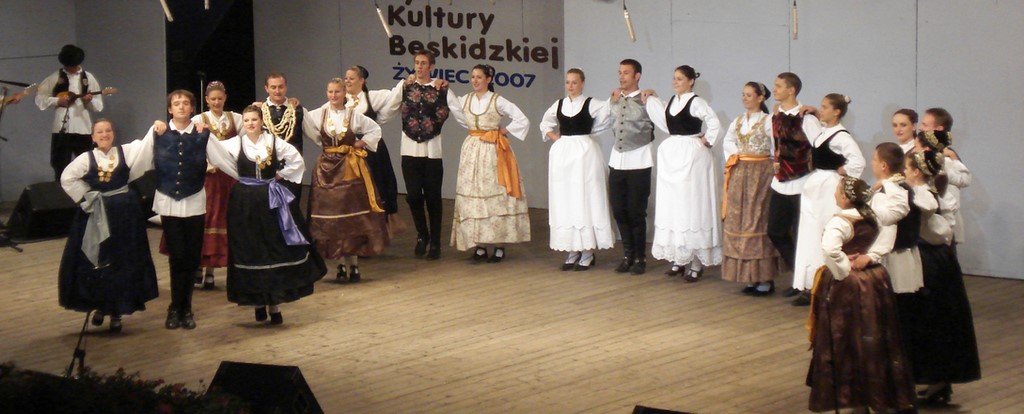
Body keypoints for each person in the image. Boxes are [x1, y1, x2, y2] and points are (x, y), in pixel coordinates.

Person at [203, 105, 327, 325]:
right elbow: (213, 150)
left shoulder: (274, 142)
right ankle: (258, 304)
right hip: (245, 202)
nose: (250, 124)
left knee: (272, 248)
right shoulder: (236, 143)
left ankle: (274, 305)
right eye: (247, 120)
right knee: (250, 249)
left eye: (254, 120)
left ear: (261, 122)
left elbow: (296, 160)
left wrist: (281, 174)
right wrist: (201, 132)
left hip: (270, 201)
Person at [805, 176, 916, 413]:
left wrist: (843, 266)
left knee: (846, 336)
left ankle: (853, 395)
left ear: (846, 197)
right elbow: (892, 228)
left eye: (837, 191)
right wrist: (871, 256)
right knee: (875, 333)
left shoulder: (841, 222)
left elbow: (830, 250)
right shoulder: (873, 215)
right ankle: (876, 394)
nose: (835, 195)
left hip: (848, 286)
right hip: (874, 280)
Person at [58, 119, 158, 333]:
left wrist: (155, 128)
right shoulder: (86, 159)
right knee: (99, 260)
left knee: (122, 260)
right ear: (93, 137)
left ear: (113, 133)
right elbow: (67, 178)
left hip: (124, 215)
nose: (104, 134)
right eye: (100, 132)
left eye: (108, 130)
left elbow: (146, 146)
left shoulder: (125, 152)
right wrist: (87, 197)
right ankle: (100, 305)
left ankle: (116, 312)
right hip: (97, 215)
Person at [903, 148, 980, 405]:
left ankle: (936, 378)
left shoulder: (923, 196)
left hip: (929, 263)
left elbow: (927, 214)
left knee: (931, 320)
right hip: (937, 260)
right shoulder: (931, 191)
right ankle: (937, 380)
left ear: (916, 172)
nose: (903, 172)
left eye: (906, 168)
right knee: (937, 320)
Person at [302, 78, 387, 282]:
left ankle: (354, 265)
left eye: (337, 92)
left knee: (351, 218)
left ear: (344, 94)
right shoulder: (318, 114)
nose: (333, 95)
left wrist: (361, 143)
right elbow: (305, 123)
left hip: (350, 170)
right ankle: (340, 264)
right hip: (326, 171)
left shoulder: (353, 115)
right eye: (330, 92)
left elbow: (375, 129)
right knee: (333, 219)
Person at [644, 65, 722, 282]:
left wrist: (707, 140)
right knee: (674, 206)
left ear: (691, 81)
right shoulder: (672, 101)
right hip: (673, 157)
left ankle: (695, 262)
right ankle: (679, 258)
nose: (675, 82)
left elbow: (714, 122)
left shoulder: (696, 102)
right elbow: (664, 116)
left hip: (692, 157)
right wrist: (652, 96)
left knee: (691, 206)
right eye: (674, 78)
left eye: (679, 78)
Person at [447, 64, 531, 262]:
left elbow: (522, 120)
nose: (475, 81)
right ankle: (480, 245)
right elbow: (454, 109)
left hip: (493, 151)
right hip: (472, 149)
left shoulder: (497, 100)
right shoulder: (465, 100)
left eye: (479, 77)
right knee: (474, 196)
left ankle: (499, 245)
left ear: (488, 79)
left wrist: (502, 131)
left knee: (495, 195)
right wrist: (444, 87)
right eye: (473, 77)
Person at [790, 94, 864, 306]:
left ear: (836, 111)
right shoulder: (825, 132)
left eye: (825, 107)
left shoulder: (841, 137)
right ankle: (810, 283)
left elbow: (858, 161)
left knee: (822, 231)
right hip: (817, 185)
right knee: (809, 233)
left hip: (828, 187)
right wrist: (813, 112)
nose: (821, 110)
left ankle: (825, 284)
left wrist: (844, 170)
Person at [538, 68, 614, 270]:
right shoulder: (559, 104)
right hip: (563, 156)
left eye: (574, 82)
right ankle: (571, 249)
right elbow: (545, 123)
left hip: (584, 154)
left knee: (584, 197)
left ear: (582, 83)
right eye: (568, 82)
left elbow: (607, 115)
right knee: (566, 199)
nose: (570, 86)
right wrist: (555, 138)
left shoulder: (591, 103)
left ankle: (587, 251)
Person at [385, 51, 456, 260]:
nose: (419, 67)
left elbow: (459, 111)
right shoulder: (406, 86)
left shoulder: (441, 88)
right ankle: (422, 235)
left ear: (431, 66)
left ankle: (435, 242)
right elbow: (389, 109)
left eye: (424, 63)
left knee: (433, 198)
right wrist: (402, 86)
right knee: (414, 196)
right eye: (417, 63)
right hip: (409, 150)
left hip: (432, 152)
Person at [151, 90, 212, 330]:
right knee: (177, 256)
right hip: (169, 202)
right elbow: (138, 157)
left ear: (192, 108)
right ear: (169, 109)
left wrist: (251, 177)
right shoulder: (158, 132)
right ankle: (175, 307)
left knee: (192, 257)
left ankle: (186, 308)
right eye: (176, 103)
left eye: (186, 103)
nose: (181, 107)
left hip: (195, 202)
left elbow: (225, 156)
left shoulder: (202, 134)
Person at [721, 82, 782, 295]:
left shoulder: (768, 121)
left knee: (757, 219)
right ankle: (749, 276)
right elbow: (728, 141)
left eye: (749, 95)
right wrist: (736, 155)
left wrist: (771, 163)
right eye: (743, 95)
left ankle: (764, 277)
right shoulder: (738, 121)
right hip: (740, 172)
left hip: (760, 173)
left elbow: (776, 146)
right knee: (740, 220)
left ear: (760, 98)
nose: (745, 98)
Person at [767, 73, 822, 299]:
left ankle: (809, 285)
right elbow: (774, 144)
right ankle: (799, 275)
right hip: (780, 182)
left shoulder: (806, 119)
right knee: (776, 231)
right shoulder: (775, 116)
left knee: (803, 236)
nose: (775, 89)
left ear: (791, 90)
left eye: (779, 86)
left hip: (802, 182)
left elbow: (820, 146)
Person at [191, 81, 241, 289]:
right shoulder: (198, 120)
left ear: (225, 98)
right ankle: (198, 267)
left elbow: (245, 140)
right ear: (206, 100)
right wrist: (205, 164)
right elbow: (193, 146)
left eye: (220, 98)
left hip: (227, 178)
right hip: (207, 178)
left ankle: (211, 270)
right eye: (213, 99)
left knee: (222, 219)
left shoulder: (235, 118)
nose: (217, 102)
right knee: (205, 219)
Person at [608, 59, 656, 275]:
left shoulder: (647, 100)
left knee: (636, 212)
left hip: (639, 161)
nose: (621, 76)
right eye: (620, 72)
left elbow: (666, 117)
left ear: (637, 76)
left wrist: (654, 95)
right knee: (619, 210)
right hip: (617, 161)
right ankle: (627, 254)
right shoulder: (614, 99)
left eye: (626, 73)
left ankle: (640, 257)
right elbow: (601, 120)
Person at [343, 66, 402, 229]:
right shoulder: (341, 100)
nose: (347, 81)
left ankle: (381, 226)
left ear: (362, 81)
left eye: (352, 78)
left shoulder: (371, 97)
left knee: (377, 184)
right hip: (349, 150)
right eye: (346, 78)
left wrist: (406, 83)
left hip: (371, 149)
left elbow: (395, 95)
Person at [35, 44, 105, 180]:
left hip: (83, 128)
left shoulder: (88, 78)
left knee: (87, 166)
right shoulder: (55, 77)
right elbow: (40, 98)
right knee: (60, 165)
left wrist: (88, 101)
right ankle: (60, 191)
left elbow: (98, 105)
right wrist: (57, 101)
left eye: (73, 65)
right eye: (68, 66)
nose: (71, 69)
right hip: (61, 129)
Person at [918, 108, 970, 245]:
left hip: (943, 224)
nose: (920, 128)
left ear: (938, 129)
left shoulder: (946, 159)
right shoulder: (922, 154)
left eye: (925, 125)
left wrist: (951, 160)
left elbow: (964, 180)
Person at [257, 72, 306, 206]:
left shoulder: (298, 110)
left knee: (291, 208)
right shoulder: (258, 111)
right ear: (266, 88)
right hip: (267, 169)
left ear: (286, 87)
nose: (277, 91)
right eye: (273, 87)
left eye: (280, 87)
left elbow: (315, 132)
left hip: (291, 170)